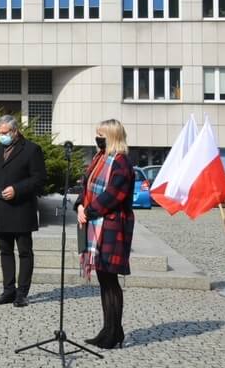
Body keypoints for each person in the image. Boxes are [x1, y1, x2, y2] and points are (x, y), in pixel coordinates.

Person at [76, 119, 135, 349]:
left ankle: (114, 331)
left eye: (100, 134)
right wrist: (80, 205)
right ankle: (108, 329)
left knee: (110, 281)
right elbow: (85, 185)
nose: (97, 137)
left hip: (111, 226)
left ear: (111, 136)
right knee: (103, 279)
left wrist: (89, 211)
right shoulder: (99, 159)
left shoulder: (121, 164)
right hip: (95, 225)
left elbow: (113, 195)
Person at [0, 114, 47, 308]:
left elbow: (39, 179)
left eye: (5, 133)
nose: (1, 136)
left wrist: (18, 189)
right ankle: (8, 291)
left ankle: (22, 293)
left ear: (15, 130)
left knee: (24, 252)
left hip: (21, 209)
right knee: (5, 251)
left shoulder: (31, 150)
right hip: (1, 208)